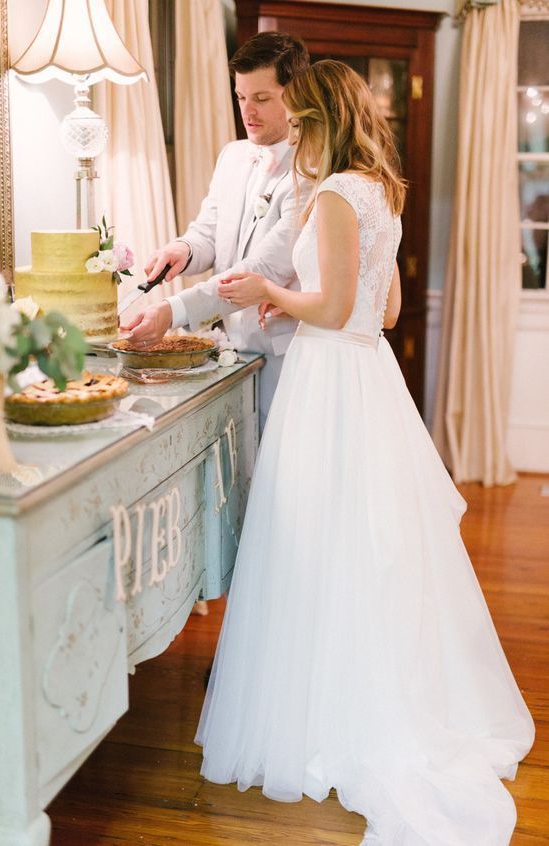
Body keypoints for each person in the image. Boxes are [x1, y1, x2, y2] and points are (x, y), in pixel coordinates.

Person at [195, 60, 535, 845]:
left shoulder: (339, 194)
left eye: (299, 122)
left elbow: (342, 305)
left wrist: (272, 296)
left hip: (329, 389)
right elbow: (383, 312)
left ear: (319, 121)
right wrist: (303, 310)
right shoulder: (384, 191)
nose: (292, 138)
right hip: (364, 376)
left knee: (317, 543)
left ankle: (327, 703)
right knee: (363, 545)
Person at [121, 31, 310, 430]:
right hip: (228, 350)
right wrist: (183, 250)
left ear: (295, 94)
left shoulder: (310, 168)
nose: (247, 111)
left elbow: (264, 269)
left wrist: (172, 311)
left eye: (261, 98)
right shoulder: (233, 155)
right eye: (241, 97)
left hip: (285, 355)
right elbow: (208, 230)